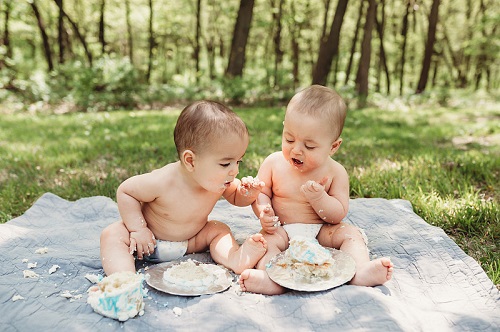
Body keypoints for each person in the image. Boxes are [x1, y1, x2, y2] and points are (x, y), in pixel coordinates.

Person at [239, 85, 393, 295]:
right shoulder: (274, 163)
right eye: (289, 139)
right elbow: (261, 193)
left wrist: (319, 199)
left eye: (309, 146)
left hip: (322, 231)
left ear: (333, 146)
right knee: (265, 243)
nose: (296, 149)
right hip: (281, 230)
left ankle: (360, 271)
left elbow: (338, 213)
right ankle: (271, 279)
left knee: (350, 234)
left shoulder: (335, 172)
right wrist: (264, 211)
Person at [100, 100, 267, 276]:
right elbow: (126, 191)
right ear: (190, 161)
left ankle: (235, 259)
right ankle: (123, 278)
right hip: (147, 243)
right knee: (112, 234)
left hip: (191, 241)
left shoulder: (219, 181)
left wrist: (247, 194)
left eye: (238, 161)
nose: (235, 170)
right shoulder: (163, 181)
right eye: (226, 163)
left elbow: (235, 197)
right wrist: (138, 229)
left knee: (218, 229)